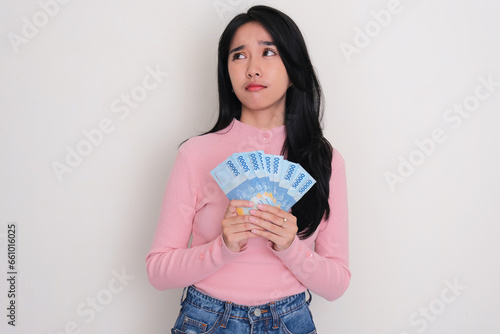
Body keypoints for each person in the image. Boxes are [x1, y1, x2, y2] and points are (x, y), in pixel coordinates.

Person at [146, 5, 350, 333]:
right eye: (238, 56)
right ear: (225, 71)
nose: (253, 69)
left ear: (294, 67)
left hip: (290, 321)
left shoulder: (324, 161)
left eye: (268, 52)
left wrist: (291, 248)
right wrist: (221, 248)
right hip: (206, 319)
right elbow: (158, 271)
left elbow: (337, 284)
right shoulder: (195, 155)